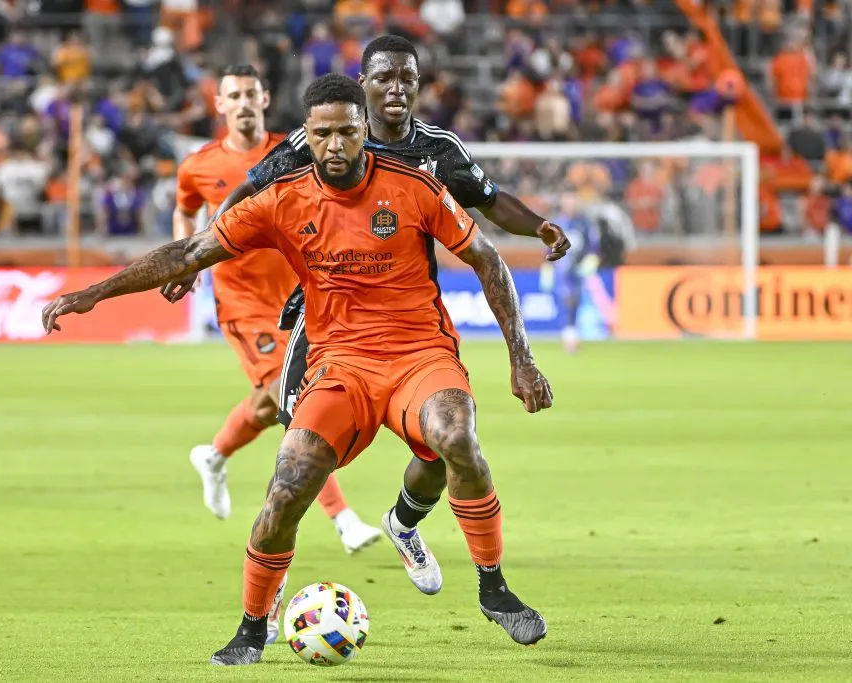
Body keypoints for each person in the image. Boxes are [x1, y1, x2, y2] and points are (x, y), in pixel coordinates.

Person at [41, 74, 553, 666]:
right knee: (286, 488)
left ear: (365, 129)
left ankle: (494, 590)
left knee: (455, 435)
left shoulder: (414, 186)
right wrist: (94, 294)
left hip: (419, 355)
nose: (335, 145)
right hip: (339, 366)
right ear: (305, 137)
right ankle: (252, 628)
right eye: (322, 134)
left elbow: (487, 260)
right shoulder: (282, 199)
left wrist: (523, 358)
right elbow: (189, 251)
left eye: (346, 131)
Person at [161, 34, 569, 597]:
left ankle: (403, 523)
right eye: (384, 77)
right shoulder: (320, 137)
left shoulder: (436, 149)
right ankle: (272, 581)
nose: (396, 88)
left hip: (404, 324)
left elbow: (489, 199)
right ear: (364, 83)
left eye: (407, 77)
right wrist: (200, 250)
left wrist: (538, 224)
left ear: (419, 85)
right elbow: (249, 193)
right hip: (323, 319)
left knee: (444, 445)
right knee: (295, 452)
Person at [172, 64, 381, 554]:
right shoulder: (197, 165)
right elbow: (185, 208)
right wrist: (189, 253)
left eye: (251, 93)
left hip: (299, 298)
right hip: (241, 301)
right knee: (292, 402)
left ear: (265, 99)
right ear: (219, 105)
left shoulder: (297, 148)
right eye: (233, 95)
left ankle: (214, 453)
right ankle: (343, 518)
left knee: (270, 404)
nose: (243, 102)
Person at [540, 194, 601, 354]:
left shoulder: (584, 224)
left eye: (572, 203)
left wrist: (591, 260)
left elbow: (593, 245)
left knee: (576, 303)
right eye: (567, 203)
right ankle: (569, 340)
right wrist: (547, 268)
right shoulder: (557, 225)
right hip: (562, 271)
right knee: (568, 301)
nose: (570, 207)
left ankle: (572, 336)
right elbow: (549, 247)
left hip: (578, 270)